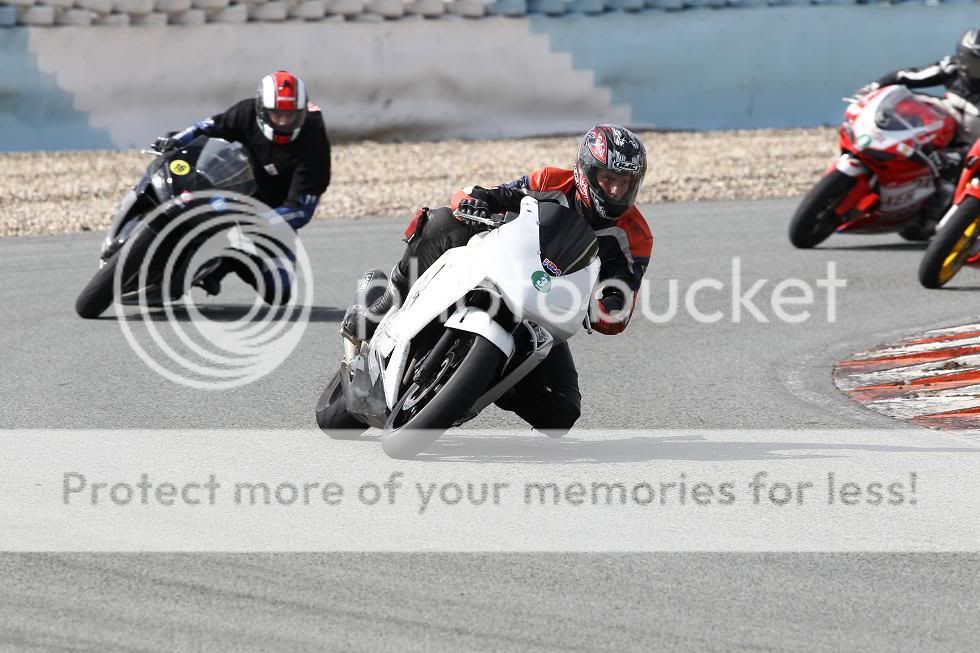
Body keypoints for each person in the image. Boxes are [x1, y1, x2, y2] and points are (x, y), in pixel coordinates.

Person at [340, 124, 653, 434]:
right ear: (586, 171)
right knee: (442, 221)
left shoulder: (636, 236)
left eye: (624, 183)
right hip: (502, 268)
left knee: (562, 413)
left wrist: (603, 308)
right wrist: (475, 203)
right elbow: (492, 194)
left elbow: (623, 296)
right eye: (609, 179)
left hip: (544, 310)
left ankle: (486, 381)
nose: (615, 191)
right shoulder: (551, 181)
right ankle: (386, 302)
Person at [149, 70, 331, 302]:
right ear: (262, 110)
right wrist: (177, 140)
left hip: (271, 214)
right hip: (230, 191)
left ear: (302, 113)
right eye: (277, 114)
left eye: (291, 115)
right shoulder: (246, 112)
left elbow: (300, 211)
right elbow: (209, 126)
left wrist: (255, 222)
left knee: (279, 291)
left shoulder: (314, 143)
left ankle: (229, 260)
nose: (284, 122)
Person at [860, 30, 980, 238]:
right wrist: (873, 88)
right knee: (911, 104)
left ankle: (933, 215)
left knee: (954, 169)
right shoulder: (951, 68)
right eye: (973, 62)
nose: (976, 68)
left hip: (970, 144)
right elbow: (905, 76)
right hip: (941, 124)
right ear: (962, 58)